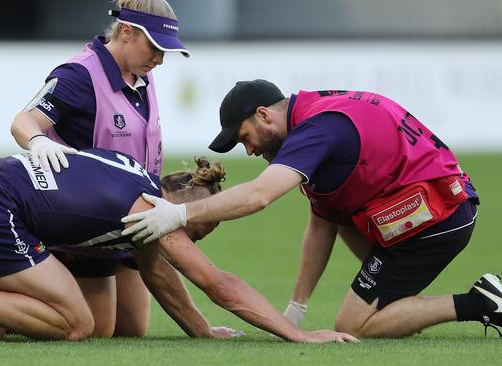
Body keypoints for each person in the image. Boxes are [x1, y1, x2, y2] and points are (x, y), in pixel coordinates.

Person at [0, 148, 357, 344]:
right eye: (205, 219)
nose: (201, 228)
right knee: (77, 324)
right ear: (181, 200)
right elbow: (217, 283)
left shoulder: (133, 173)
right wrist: (300, 337)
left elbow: (161, 277)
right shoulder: (151, 210)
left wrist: (203, 333)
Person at [121, 80, 502, 338]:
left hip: (438, 215)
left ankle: (482, 302)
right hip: (426, 208)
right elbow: (322, 223)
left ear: (264, 115)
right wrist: (296, 311)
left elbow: (259, 195)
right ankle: (397, 313)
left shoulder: (318, 129)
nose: (250, 151)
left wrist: (179, 215)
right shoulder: (315, 117)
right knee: (348, 233)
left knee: (356, 324)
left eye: (245, 138)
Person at [9, 0, 189, 337]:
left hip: (132, 222)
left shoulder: (143, 75)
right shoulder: (79, 74)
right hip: (88, 225)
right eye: (155, 47)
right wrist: (38, 140)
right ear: (126, 32)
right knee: (97, 330)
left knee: (133, 329)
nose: (161, 59)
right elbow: (24, 120)